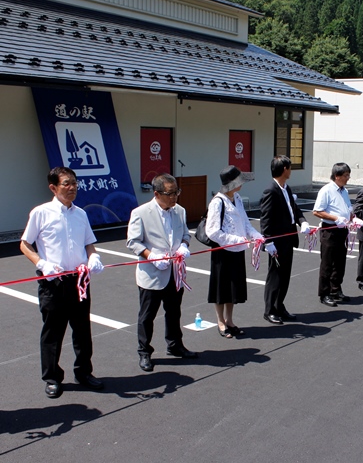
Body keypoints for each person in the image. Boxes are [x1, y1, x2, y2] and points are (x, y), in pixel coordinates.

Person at [21, 167, 105, 398]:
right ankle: (52, 377)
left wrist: (93, 257)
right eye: (66, 183)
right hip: (53, 282)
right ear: (53, 187)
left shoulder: (81, 214)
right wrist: (42, 263)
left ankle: (84, 372)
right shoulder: (41, 213)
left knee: (82, 330)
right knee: (53, 332)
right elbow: (25, 244)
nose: (72, 187)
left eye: (75, 183)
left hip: (78, 280)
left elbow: (89, 243)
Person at [127, 173, 196, 372]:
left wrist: (184, 245)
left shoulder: (179, 211)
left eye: (177, 192)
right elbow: (132, 242)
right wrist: (151, 256)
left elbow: (185, 234)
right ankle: (144, 352)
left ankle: (175, 345)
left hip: (175, 271)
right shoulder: (141, 212)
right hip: (152, 272)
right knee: (147, 316)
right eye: (170, 193)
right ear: (156, 193)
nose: (175, 197)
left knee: (174, 312)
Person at [206, 165, 264, 336]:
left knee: (232, 288)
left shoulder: (237, 198)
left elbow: (245, 223)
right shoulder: (218, 202)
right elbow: (213, 231)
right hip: (223, 250)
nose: (241, 184)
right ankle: (220, 321)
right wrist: (237, 240)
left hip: (238, 249)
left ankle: (230, 320)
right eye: (238, 181)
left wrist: (255, 235)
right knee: (221, 288)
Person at [260, 156, 310, 324]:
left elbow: (294, 209)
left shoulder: (286, 188)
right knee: (275, 276)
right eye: (289, 167)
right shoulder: (270, 190)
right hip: (276, 241)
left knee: (285, 275)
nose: (291, 170)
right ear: (283, 170)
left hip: (289, 238)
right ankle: (270, 310)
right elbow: (265, 219)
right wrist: (268, 242)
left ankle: (279, 305)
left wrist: (302, 222)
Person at [313, 162, 362, 307]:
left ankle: (336, 289)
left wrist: (353, 218)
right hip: (330, 230)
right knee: (327, 263)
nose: (348, 178)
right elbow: (317, 211)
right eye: (346, 175)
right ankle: (324, 293)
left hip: (343, 230)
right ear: (337, 176)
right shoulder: (326, 190)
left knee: (340, 262)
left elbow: (347, 209)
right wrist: (335, 218)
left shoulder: (344, 191)